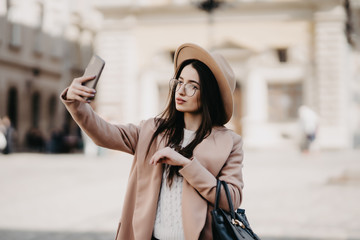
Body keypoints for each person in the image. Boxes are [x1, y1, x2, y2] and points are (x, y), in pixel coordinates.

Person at [60, 43, 244, 240]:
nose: (181, 91)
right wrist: (77, 105)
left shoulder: (229, 142)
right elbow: (104, 134)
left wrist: (186, 164)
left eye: (193, 86)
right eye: (180, 82)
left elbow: (231, 199)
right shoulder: (152, 130)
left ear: (210, 95)